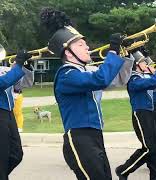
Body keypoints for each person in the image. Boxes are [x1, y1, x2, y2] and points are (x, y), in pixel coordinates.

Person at [40, 8, 131, 179]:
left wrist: (125, 55)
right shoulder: (67, 75)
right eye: (81, 45)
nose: (88, 47)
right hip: (79, 138)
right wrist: (112, 51)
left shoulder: (85, 71)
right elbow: (101, 79)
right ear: (68, 52)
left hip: (95, 135)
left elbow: (118, 79)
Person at [115, 52, 156, 180]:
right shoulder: (134, 79)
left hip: (149, 113)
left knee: (155, 148)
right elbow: (153, 82)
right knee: (149, 148)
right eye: (144, 62)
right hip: (140, 115)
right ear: (136, 65)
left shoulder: (142, 76)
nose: (147, 64)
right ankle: (123, 170)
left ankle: (155, 176)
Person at [0, 50, 33, 180]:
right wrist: (19, 63)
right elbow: (4, 82)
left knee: (16, 153)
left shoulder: (3, 68)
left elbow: (25, 83)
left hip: (8, 113)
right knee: (2, 157)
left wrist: (26, 65)